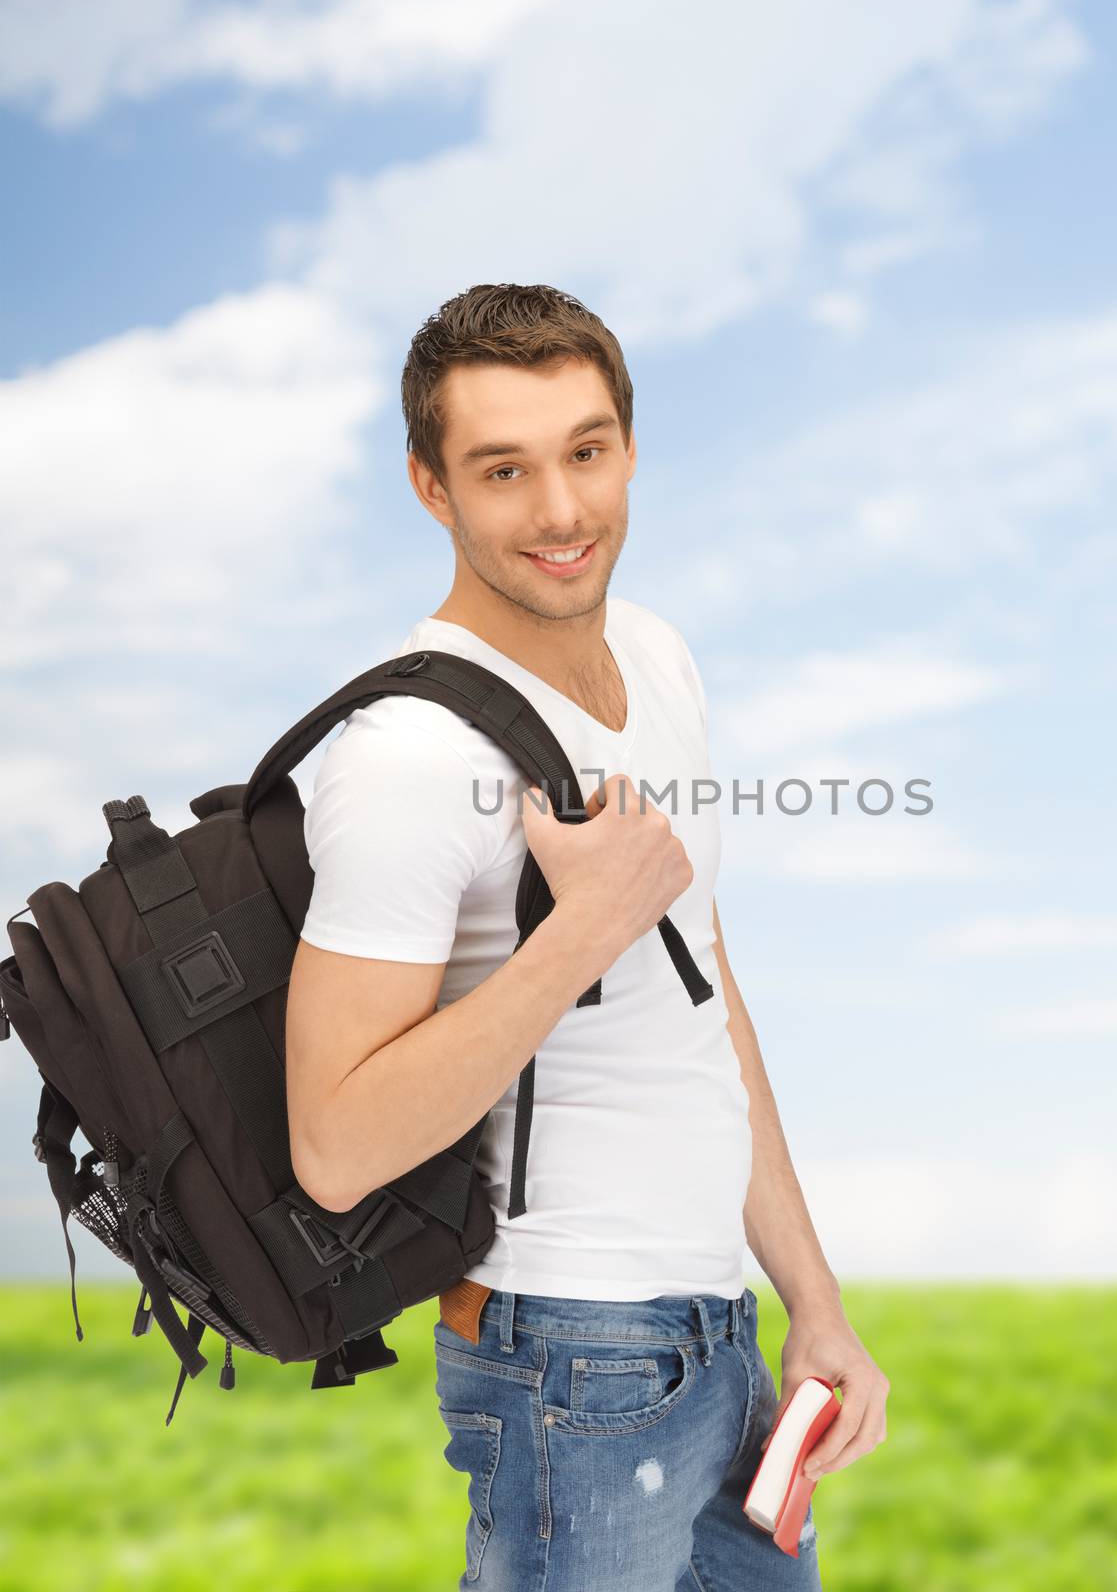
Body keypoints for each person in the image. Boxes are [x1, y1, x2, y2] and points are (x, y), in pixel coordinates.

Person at [285, 283, 887, 1590]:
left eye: (586, 451)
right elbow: (334, 1147)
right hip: (562, 1358)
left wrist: (809, 1297)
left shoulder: (658, 658)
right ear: (430, 488)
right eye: (503, 469)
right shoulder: (408, 754)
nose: (560, 512)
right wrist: (579, 932)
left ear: (626, 444)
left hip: (718, 1343)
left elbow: (699, 1002)